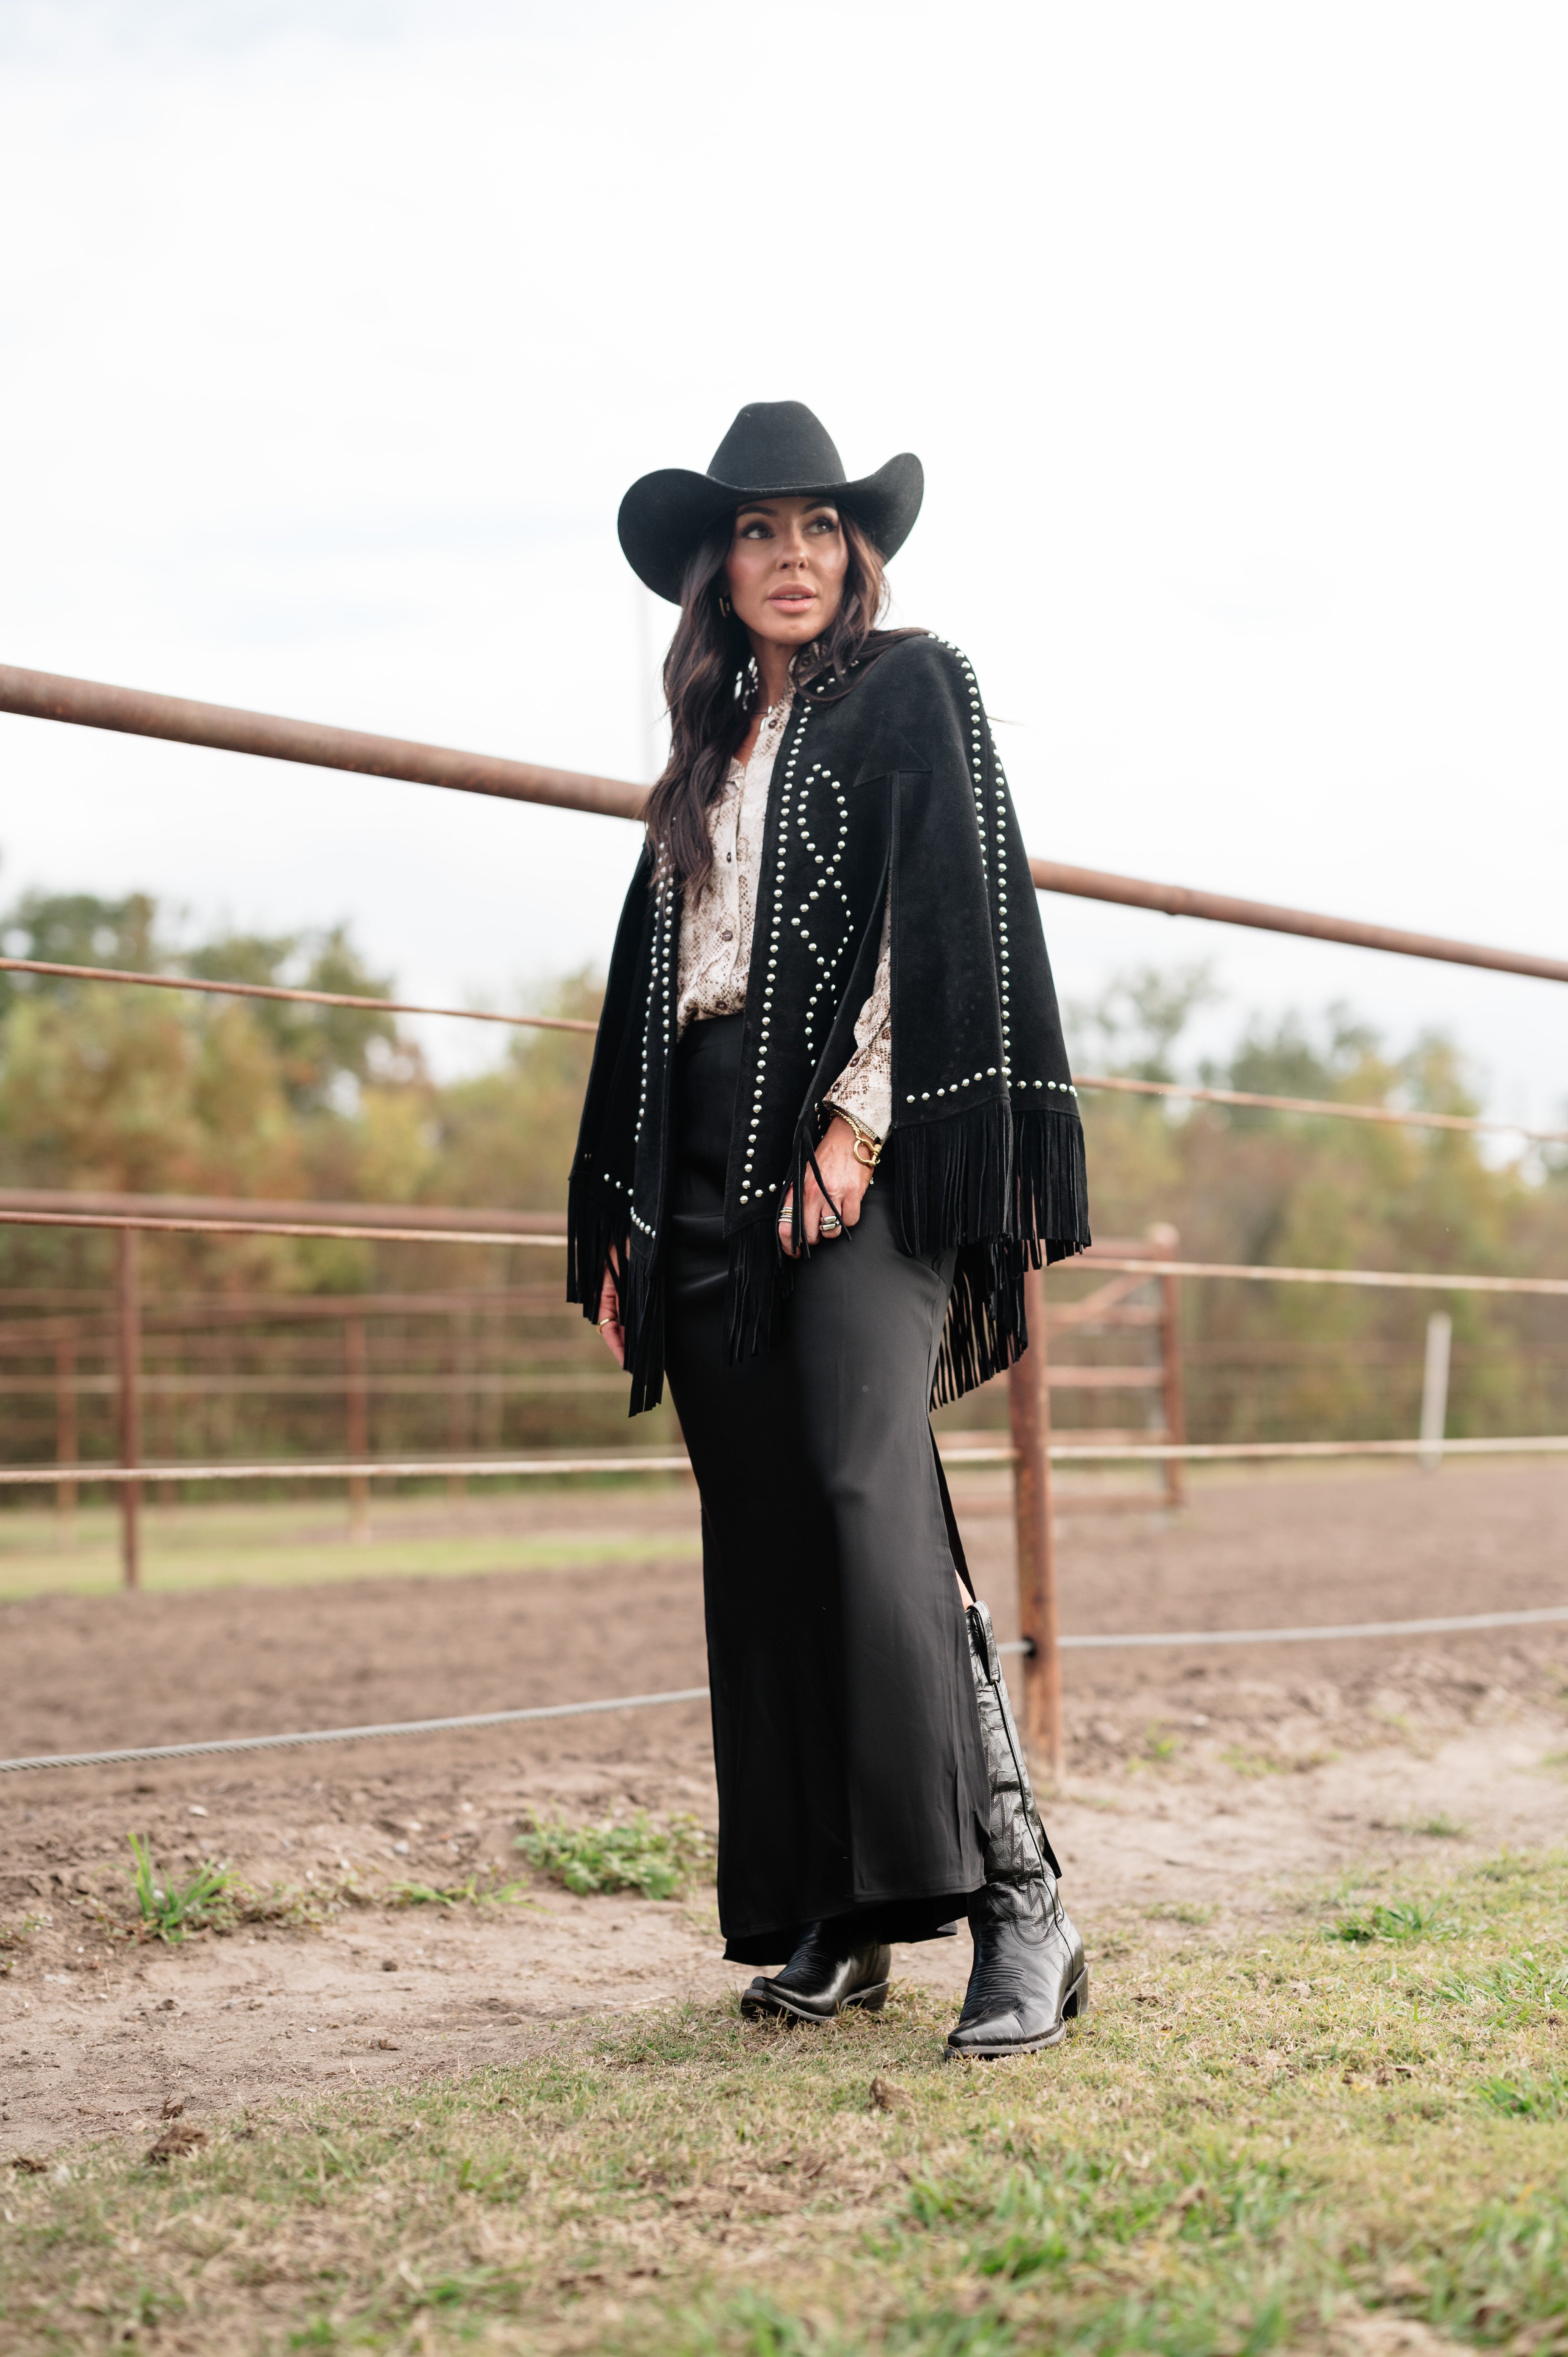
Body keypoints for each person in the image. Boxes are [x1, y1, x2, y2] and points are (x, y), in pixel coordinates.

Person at [569, 401, 1091, 2057]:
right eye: (756, 532)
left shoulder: (913, 693)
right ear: (714, 571)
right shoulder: (703, 759)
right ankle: (844, 1916)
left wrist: (861, 1126)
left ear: (853, 554)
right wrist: (629, 1225)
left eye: (816, 528)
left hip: (854, 1125)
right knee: (769, 1526)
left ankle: (1022, 1906)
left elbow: (944, 918)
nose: (789, 558)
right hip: (704, 1153)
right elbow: (654, 1002)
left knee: (870, 1501)